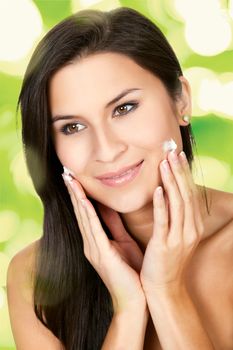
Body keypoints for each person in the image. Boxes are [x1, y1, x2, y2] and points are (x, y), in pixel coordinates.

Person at [6, 6, 233, 350]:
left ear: (181, 100)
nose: (107, 150)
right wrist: (128, 310)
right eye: (73, 127)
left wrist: (166, 292)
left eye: (124, 108)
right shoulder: (35, 276)